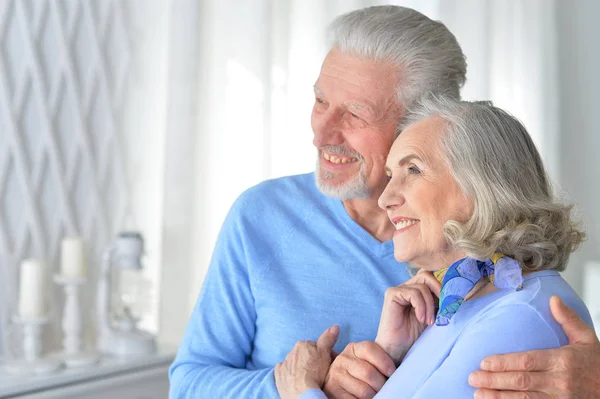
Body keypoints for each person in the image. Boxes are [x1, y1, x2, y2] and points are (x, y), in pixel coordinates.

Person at [169, 5, 600, 399]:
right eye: (320, 101)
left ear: (423, 124)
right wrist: (291, 386)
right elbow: (188, 383)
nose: (321, 135)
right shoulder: (260, 215)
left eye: (355, 114)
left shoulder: (467, 265)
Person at [277, 97, 592, 398]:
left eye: (412, 170)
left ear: (480, 185)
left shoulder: (520, 315)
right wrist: (392, 355)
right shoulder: (471, 303)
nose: (385, 199)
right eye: (390, 176)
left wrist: (301, 391)